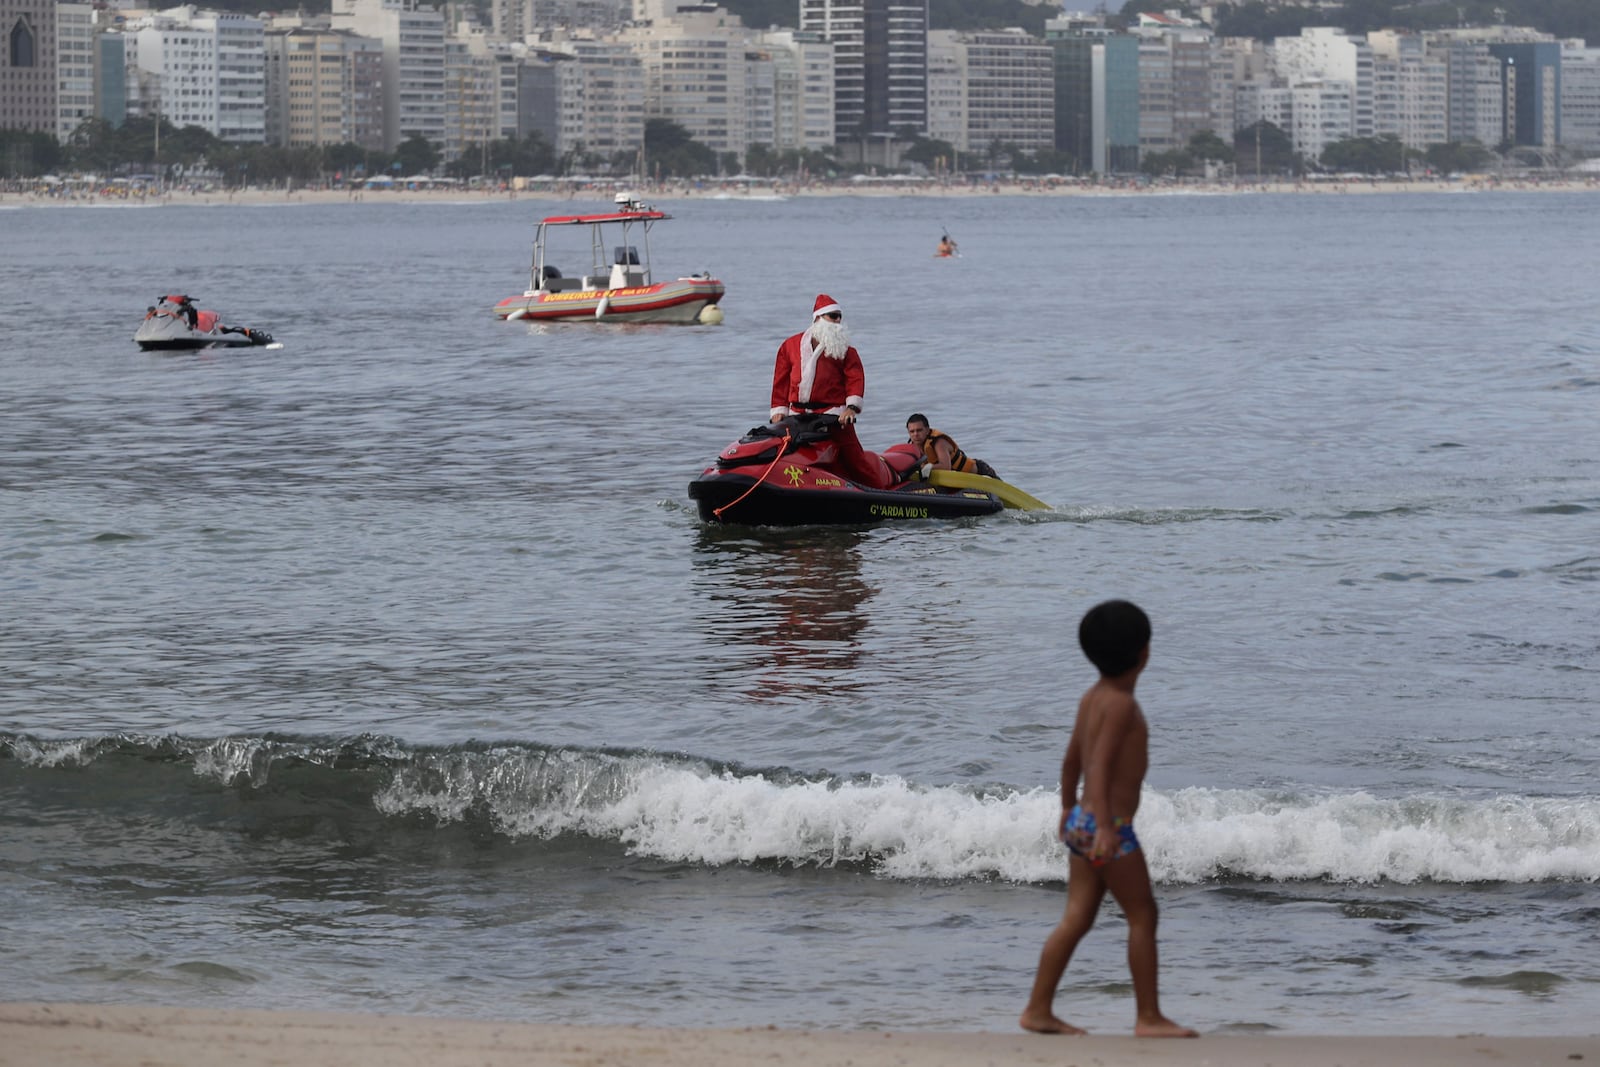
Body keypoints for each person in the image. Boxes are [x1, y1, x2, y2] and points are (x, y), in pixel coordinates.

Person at [1019, 600, 1197, 1039]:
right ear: (1144, 653)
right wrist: (1102, 827)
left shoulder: (1092, 697)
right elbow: (1096, 766)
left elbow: (1072, 759)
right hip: (1107, 828)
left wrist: (1067, 807)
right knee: (1143, 915)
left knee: (1077, 916)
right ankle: (1149, 1018)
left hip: (1082, 821)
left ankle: (1038, 1009)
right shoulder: (1120, 705)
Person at [770, 294, 892, 490]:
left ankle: (880, 493)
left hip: (833, 415)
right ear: (818, 318)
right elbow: (780, 382)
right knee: (783, 452)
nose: (838, 321)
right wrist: (779, 411)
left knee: (854, 459)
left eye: (839, 317)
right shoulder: (790, 346)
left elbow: (855, 379)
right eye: (833, 316)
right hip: (797, 416)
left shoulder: (845, 350)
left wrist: (851, 409)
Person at [905, 414, 998, 479]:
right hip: (955, 481)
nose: (915, 434)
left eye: (919, 430)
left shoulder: (938, 442)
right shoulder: (911, 447)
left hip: (980, 472)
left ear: (927, 430)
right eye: (912, 431)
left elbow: (946, 467)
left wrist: (928, 467)